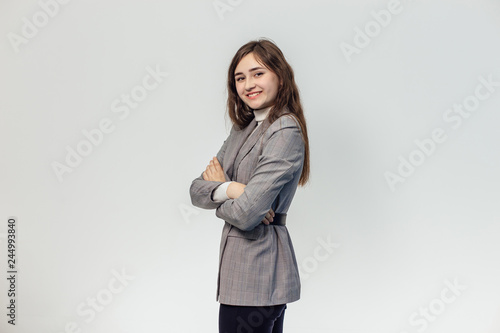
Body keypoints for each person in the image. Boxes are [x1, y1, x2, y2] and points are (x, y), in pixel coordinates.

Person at [189, 38, 310, 333]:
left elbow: (247, 214)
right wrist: (233, 189)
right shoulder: (243, 129)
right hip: (238, 274)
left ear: (280, 77)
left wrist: (228, 190)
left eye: (258, 73)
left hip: (260, 270)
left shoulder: (284, 129)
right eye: (240, 78)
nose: (248, 85)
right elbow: (195, 190)